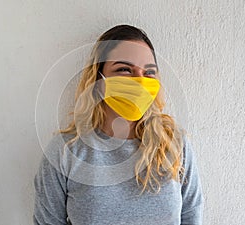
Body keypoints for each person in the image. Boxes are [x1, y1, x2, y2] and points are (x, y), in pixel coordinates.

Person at [33, 24, 204, 225]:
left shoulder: (175, 145)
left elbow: (191, 216)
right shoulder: (65, 151)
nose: (139, 81)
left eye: (148, 72)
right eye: (124, 69)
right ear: (99, 78)